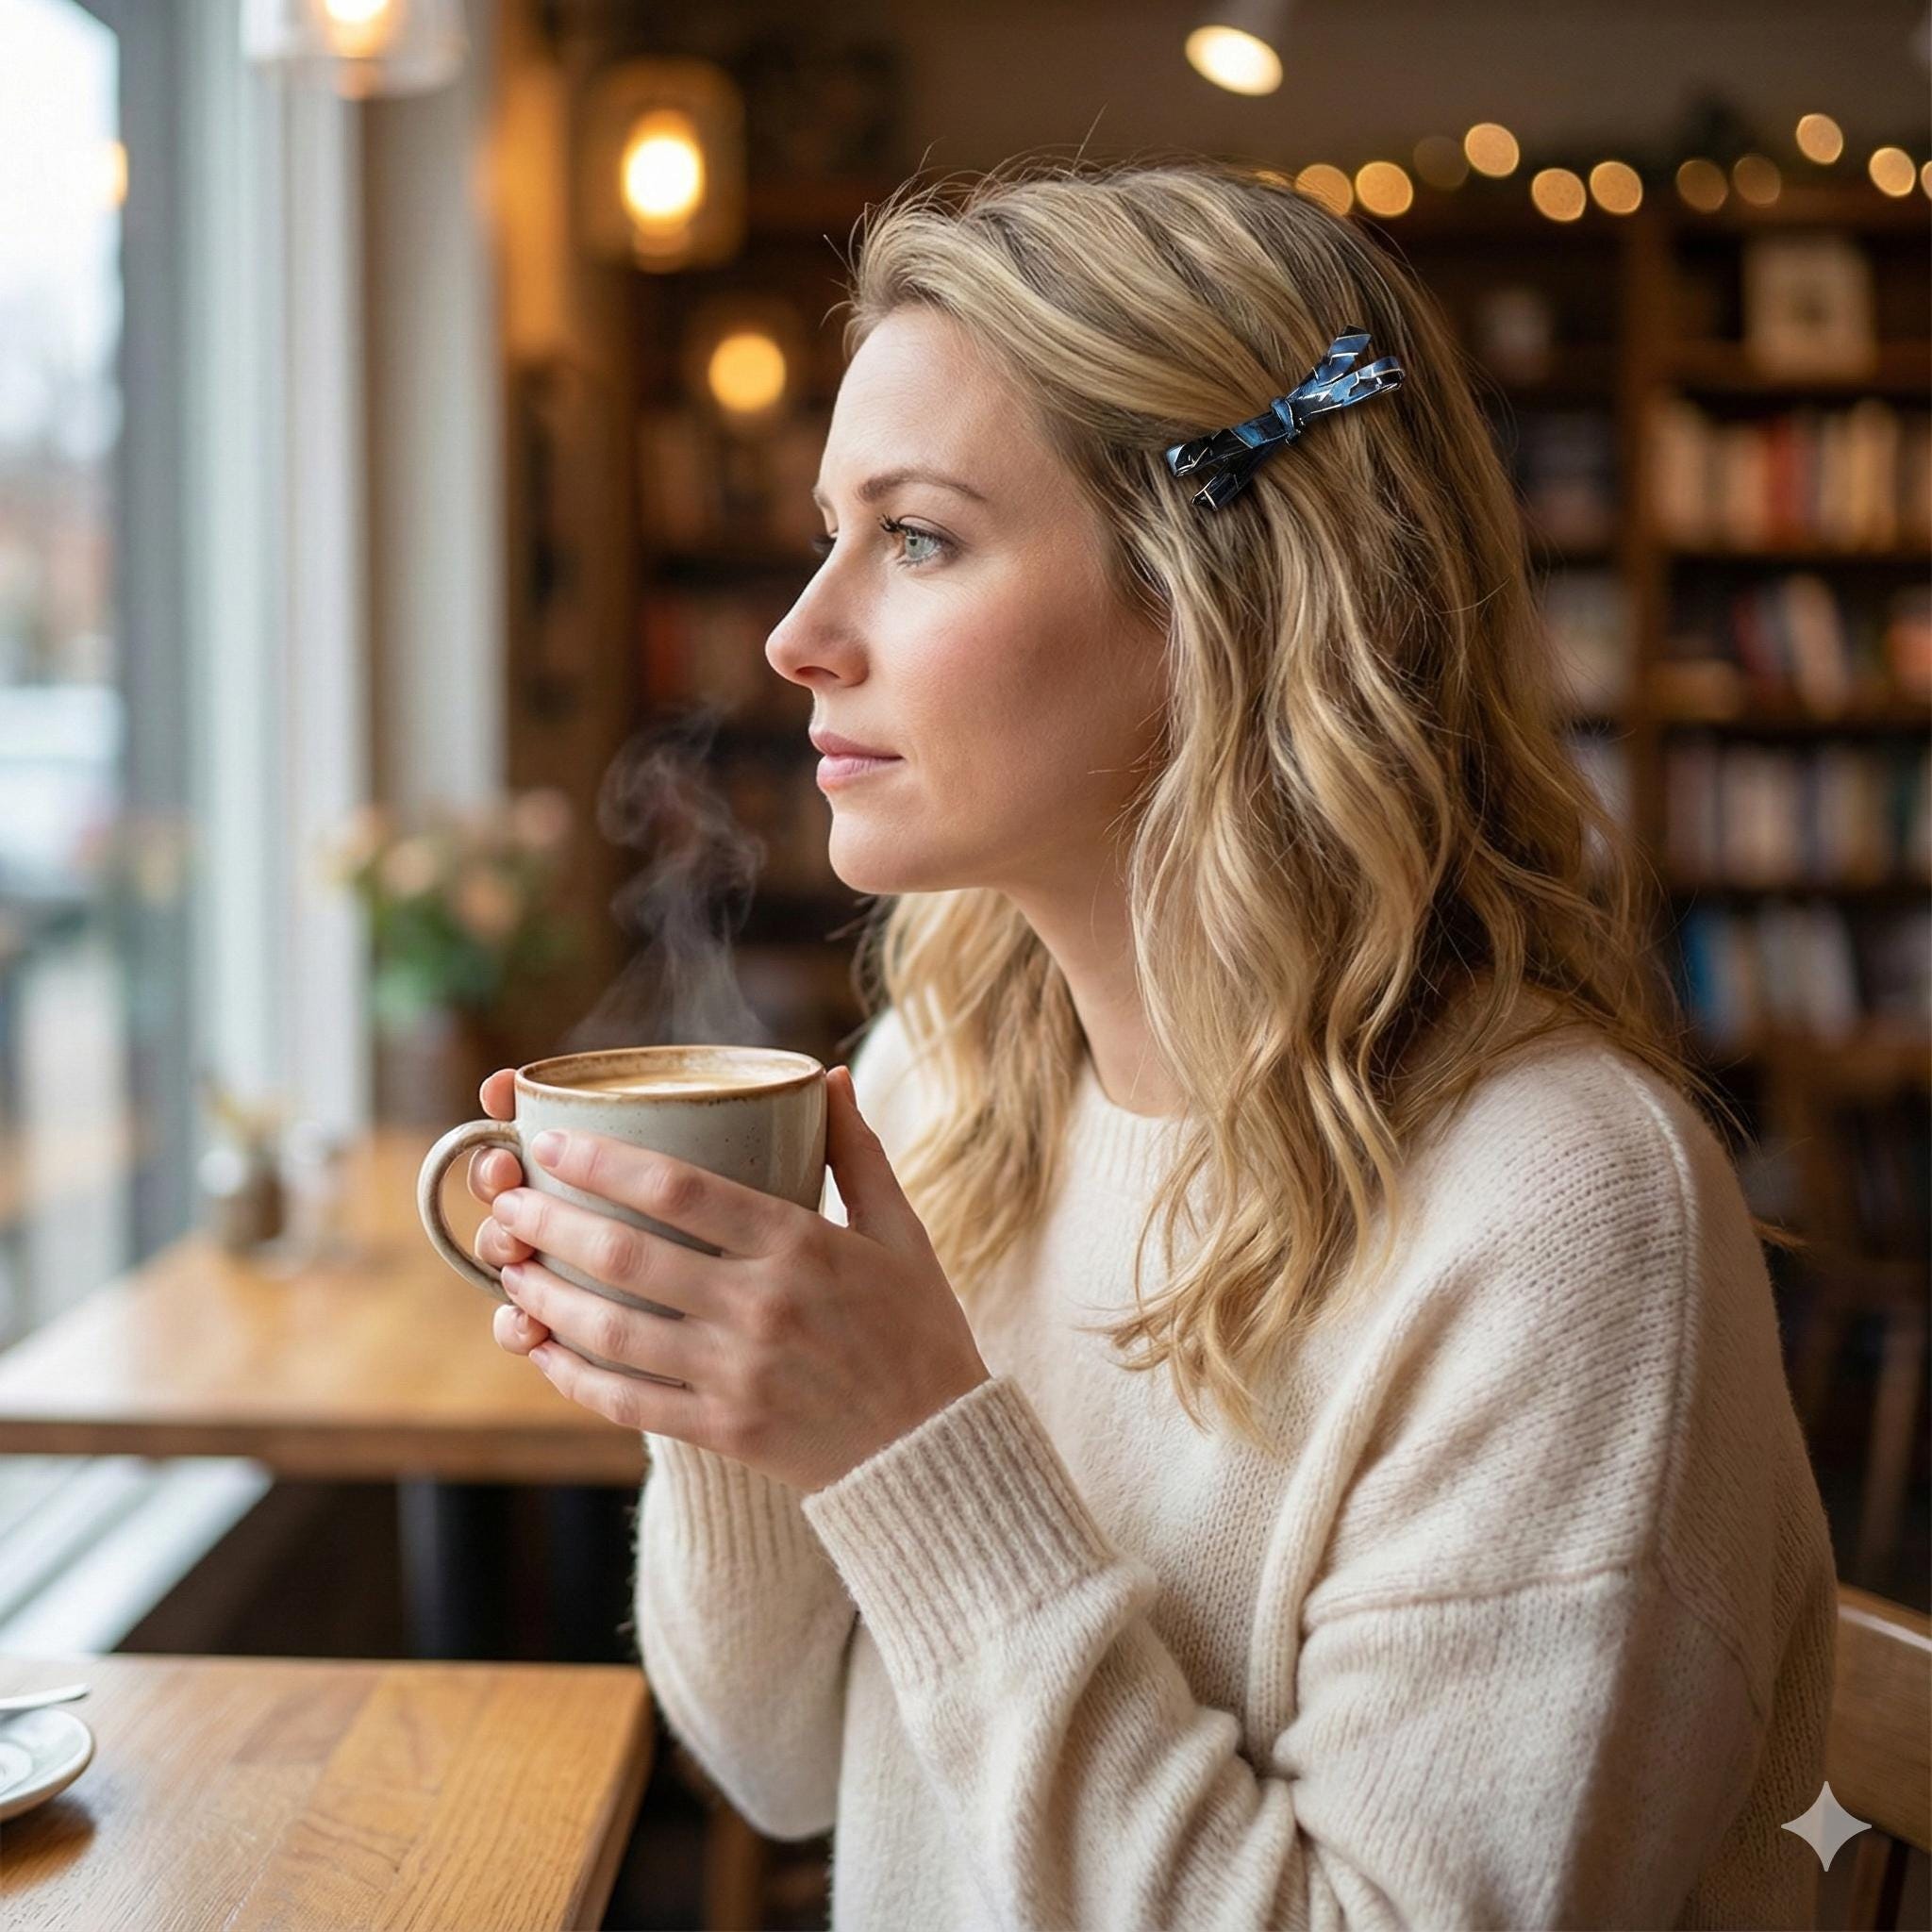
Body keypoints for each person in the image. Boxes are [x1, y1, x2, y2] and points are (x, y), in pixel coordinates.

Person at [465, 156, 1838, 1929]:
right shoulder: (946, 1081)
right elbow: (782, 1762)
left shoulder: (1561, 1218)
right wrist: (728, 1395)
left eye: (920, 536)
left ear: (1226, 603)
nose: (799, 637)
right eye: (830, 531)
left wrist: (910, 1442)